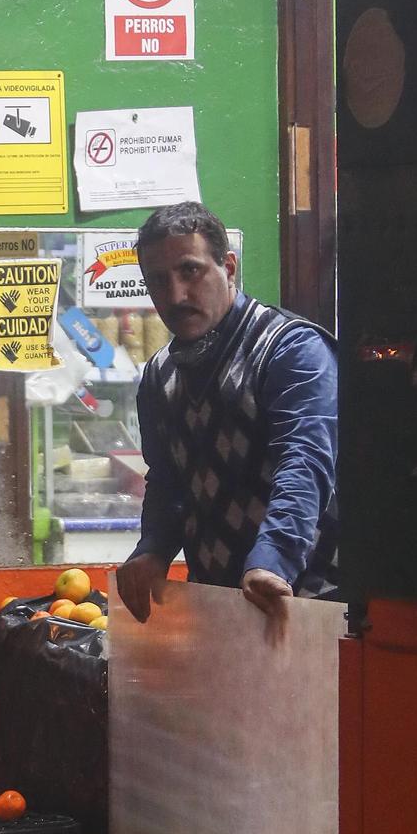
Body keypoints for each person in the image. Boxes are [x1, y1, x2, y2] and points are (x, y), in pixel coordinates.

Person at [116, 201, 338, 624]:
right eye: (158, 280)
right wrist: (153, 549)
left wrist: (272, 561)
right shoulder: (160, 375)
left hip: (308, 603)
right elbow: (169, 481)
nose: (176, 295)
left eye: (190, 271)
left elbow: (306, 462)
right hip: (220, 609)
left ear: (229, 267)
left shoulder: (290, 350)